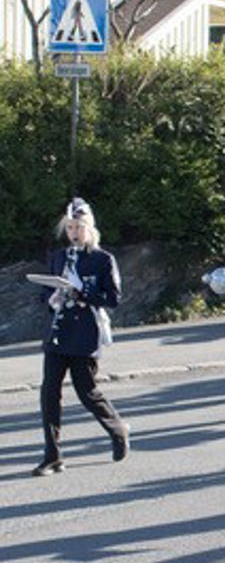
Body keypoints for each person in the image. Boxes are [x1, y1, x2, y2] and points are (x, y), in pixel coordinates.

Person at [33, 199, 130, 477]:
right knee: (49, 392)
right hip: (57, 332)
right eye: (71, 227)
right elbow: (44, 293)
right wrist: (51, 298)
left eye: (80, 227)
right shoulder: (59, 257)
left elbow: (113, 298)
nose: (74, 232)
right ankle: (52, 456)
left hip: (85, 332)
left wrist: (81, 293)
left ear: (90, 228)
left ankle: (117, 428)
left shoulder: (102, 259)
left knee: (86, 391)